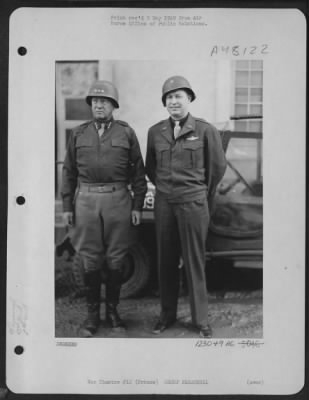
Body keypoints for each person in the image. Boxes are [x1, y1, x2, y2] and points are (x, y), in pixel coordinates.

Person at [61, 80, 147, 337]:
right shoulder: (78, 133)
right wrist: (67, 205)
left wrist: (138, 205)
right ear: (91, 105)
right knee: (90, 259)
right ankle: (91, 316)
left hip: (118, 200)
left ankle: (112, 311)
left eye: (104, 101)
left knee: (116, 259)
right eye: (95, 101)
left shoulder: (126, 133)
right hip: (86, 201)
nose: (99, 105)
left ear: (113, 105)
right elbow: (69, 172)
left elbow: (138, 172)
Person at [145, 76, 226, 338]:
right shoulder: (155, 132)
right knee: (165, 261)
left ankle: (200, 320)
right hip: (165, 204)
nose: (173, 101)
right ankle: (166, 316)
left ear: (189, 99)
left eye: (178, 96)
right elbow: (151, 168)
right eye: (169, 97)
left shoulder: (205, 130)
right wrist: (168, 191)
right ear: (164, 103)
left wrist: (198, 194)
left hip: (193, 204)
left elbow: (216, 169)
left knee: (194, 262)